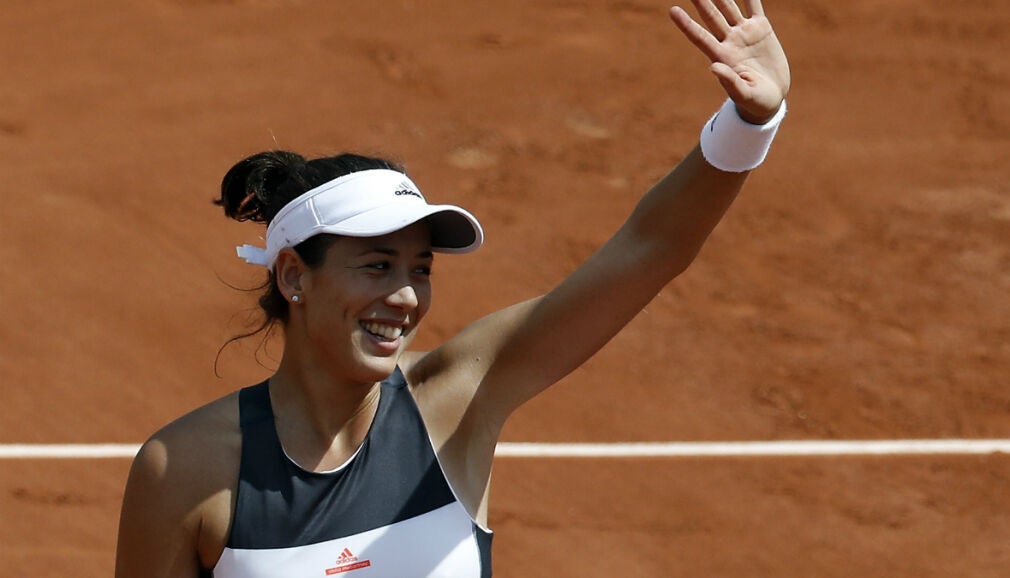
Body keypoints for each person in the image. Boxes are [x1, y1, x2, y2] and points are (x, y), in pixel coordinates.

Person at [114, 1, 791, 576]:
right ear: (294, 275)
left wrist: (746, 126)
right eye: (377, 265)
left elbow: (648, 251)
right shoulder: (185, 468)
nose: (406, 297)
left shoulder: (457, 402)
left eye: (421, 269)